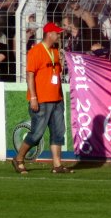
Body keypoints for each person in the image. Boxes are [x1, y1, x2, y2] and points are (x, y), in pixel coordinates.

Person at [12, 22, 73, 174]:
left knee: (58, 132)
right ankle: (19, 158)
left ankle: (57, 165)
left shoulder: (55, 52)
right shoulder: (36, 51)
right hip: (41, 99)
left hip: (56, 99)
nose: (59, 36)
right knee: (37, 134)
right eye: (57, 33)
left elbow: (56, 75)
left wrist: (62, 61)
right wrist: (33, 97)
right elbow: (30, 75)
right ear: (49, 34)